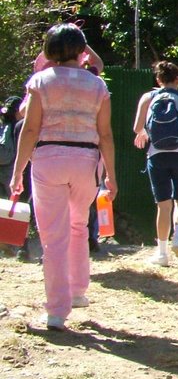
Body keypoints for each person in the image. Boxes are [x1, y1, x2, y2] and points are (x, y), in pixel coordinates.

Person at [9, 24, 117, 331]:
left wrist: (18, 171)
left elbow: (30, 130)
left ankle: (57, 310)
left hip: (48, 160)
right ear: (82, 51)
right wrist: (111, 176)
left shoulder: (41, 81)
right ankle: (78, 290)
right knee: (78, 224)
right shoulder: (97, 85)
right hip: (87, 161)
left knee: (53, 237)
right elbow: (106, 135)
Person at [132, 61, 178, 266]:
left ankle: (161, 254)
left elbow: (137, 127)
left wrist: (144, 132)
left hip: (156, 155)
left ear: (158, 80)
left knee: (163, 204)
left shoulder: (147, 98)